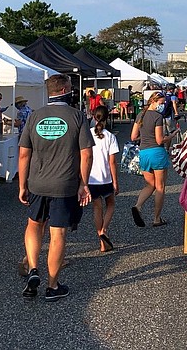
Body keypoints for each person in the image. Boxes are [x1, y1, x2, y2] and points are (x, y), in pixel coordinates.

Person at [18, 74, 94, 301]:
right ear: (64, 89)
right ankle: (52, 285)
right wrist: (84, 183)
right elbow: (86, 154)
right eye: (71, 86)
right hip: (65, 183)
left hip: (37, 183)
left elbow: (24, 154)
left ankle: (33, 268)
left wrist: (23, 185)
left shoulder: (35, 116)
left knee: (33, 224)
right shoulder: (77, 116)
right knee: (57, 232)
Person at [130, 91, 173, 227]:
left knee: (150, 185)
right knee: (160, 187)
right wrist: (171, 136)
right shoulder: (157, 116)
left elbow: (133, 137)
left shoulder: (140, 115)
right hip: (157, 152)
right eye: (161, 103)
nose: (163, 105)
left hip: (144, 153)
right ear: (153, 101)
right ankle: (156, 218)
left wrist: (145, 138)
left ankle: (138, 206)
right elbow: (160, 139)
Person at [89, 106, 119, 252]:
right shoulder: (110, 137)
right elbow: (112, 162)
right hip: (105, 177)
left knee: (97, 207)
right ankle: (104, 231)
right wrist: (116, 181)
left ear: (94, 117)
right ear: (107, 118)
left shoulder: (87, 135)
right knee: (111, 204)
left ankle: (100, 237)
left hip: (91, 177)